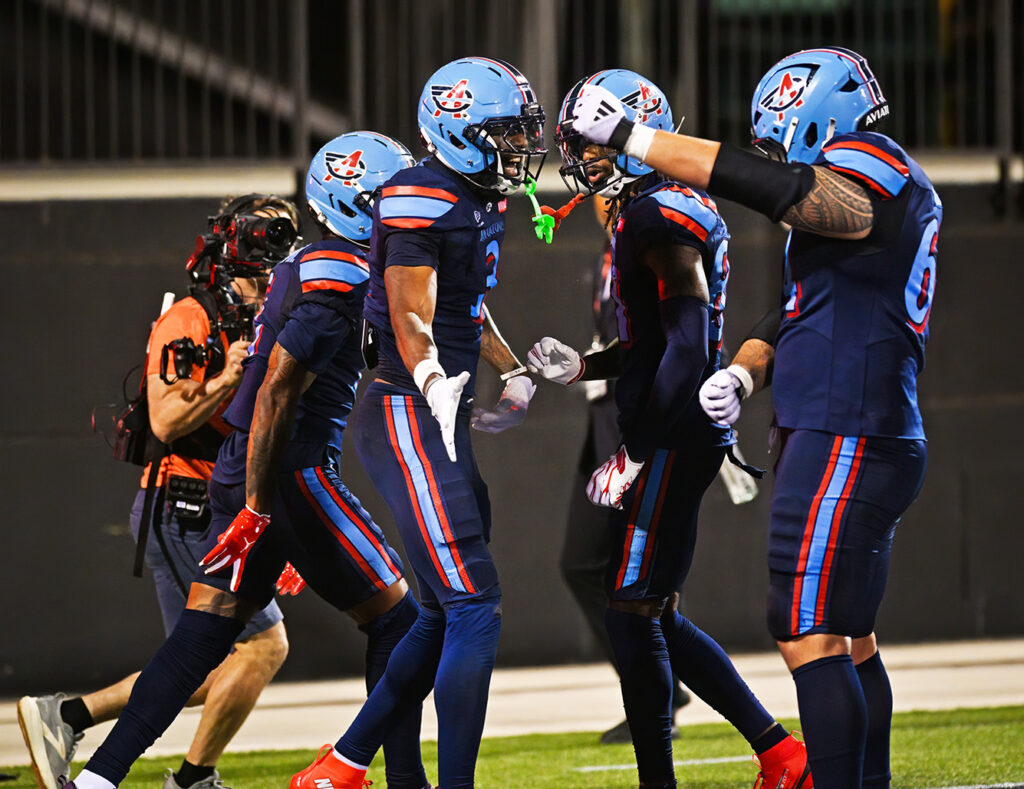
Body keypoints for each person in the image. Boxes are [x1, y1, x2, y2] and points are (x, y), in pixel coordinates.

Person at [573, 47, 940, 789]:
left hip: (846, 429)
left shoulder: (876, 167)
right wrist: (744, 369)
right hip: (862, 424)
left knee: (805, 632)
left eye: (781, 130)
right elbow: (803, 309)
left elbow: (788, 190)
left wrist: (637, 140)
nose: (775, 148)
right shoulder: (883, 190)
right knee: (851, 638)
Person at [60, 131, 428, 789]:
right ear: (356, 204)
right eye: (390, 200)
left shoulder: (308, 265)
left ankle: (97, 779)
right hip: (289, 470)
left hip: (242, 469)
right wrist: (263, 508)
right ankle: (378, 772)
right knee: (403, 623)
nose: (405, 213)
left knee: (202, 635)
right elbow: (277, 395)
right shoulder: (337, 278)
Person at [528, 69, 810, 789]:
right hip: (672, 429)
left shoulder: (657, 214)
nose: (583, 159)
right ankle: (780, 751)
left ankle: (668, 777)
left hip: (675, 436)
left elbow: (688, 346)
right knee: (650, 610)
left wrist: (636, 452)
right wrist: (583, 368)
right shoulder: (648, 206)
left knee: (630, 610)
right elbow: (653, 343)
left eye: (593, 144)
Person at [289, 56, 544, 789]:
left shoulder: (475, 195)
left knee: (437, 611)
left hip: (434, 412)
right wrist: (433, 375)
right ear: (458, 131)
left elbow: (461, 303)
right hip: (406, 410)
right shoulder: (416, 199)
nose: (518, 147)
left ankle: (339, 764)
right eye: (505, 133)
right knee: (475, 604)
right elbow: (411, 313)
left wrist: (512, 365)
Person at [18, 193, 300, 789]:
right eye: (267, 238)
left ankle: (68, 716)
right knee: (259, 648)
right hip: (186, 502)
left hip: (227, 505)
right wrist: (230, 375)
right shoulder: (191, 318)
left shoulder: (272, 312)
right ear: (237, 245)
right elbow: (168, 420)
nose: (277, 253)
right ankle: (192, 777)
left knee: (203, 661)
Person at [546, 195, 693, 745]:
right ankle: (660, 684)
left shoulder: (658, 238)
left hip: (640, 422)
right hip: (607, 420)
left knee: (644, 574)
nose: (599, 197)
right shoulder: (615, 247)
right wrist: (587, 366)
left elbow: (675, 339)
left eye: (611, 182)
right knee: (583, 562)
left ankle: (660, 692)